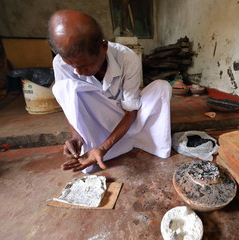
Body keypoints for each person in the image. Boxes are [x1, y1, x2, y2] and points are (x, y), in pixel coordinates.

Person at [48, 10, 172, 173]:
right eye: (72, 65)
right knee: (64, 87)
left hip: (129, 118)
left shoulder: (127, 58)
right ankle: (95, 149)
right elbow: (70, 104)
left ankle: (139, 142)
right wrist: (77, 135)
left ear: (103, 47)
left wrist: (104, 147)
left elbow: (130, 111)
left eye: (85, 65)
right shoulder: (60, 63)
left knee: (161, 88)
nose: (77, 71)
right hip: (98, 124)